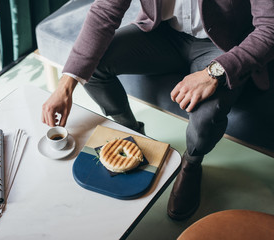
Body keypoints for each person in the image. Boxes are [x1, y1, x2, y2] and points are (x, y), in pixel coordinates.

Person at [41, 0, 274, 220]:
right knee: (92, 66)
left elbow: (270, 28)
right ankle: (132, 132)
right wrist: (66, 84)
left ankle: (191, 164)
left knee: (207, 114)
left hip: (223, 46)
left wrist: (213, 72)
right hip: (164, 33)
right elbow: (105, 10)